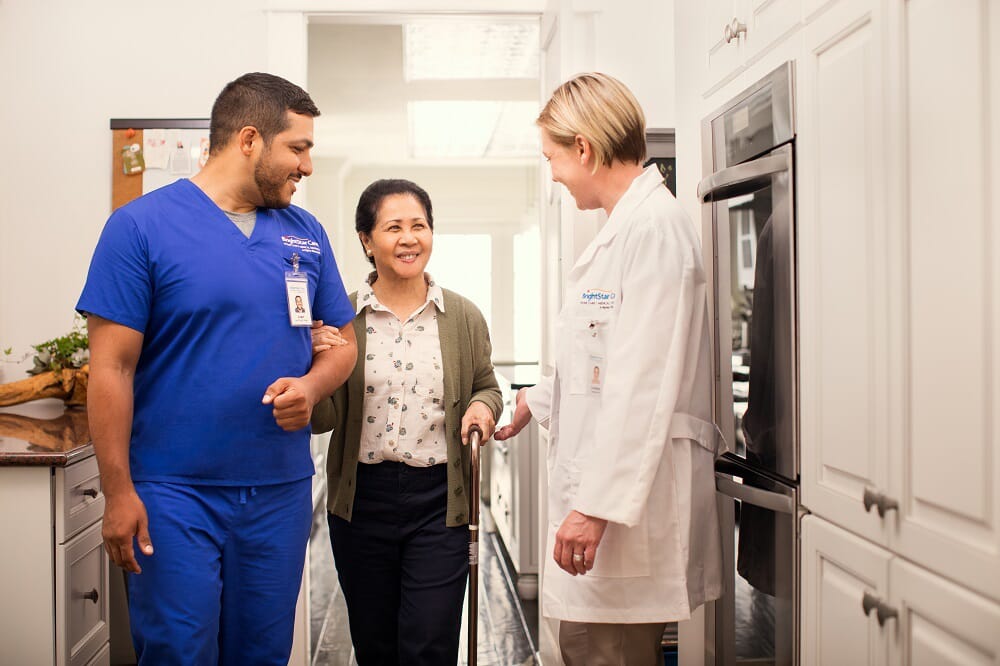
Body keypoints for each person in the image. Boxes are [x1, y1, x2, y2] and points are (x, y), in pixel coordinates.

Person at [77, 72, 358, 665]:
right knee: (180, 651)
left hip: (277, 491)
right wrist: (118, 490)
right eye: (299, 148)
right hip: (172, 493)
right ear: (250, 139)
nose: (307, 166)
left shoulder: (304, 234)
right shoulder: (140, 227)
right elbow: (111, 369)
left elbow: (344, 344)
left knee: (261, 653)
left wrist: (311, 384)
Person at [494, 72, 724, 666]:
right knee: (583, 649)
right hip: (606, 497)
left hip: (625, 512)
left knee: (611, 655)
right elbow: (600, 362)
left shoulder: (654, 231)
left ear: (585, 149)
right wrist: (536, 401)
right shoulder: (625, 231)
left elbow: (642, 386)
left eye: (553, 158)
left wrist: (593, 507)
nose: (553, 174)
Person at [310, 178, 502, 665]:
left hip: (440, 502)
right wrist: (310, 369)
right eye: (393, 227)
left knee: (429, 645)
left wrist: (483, 407)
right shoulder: (341, 316)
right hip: (361, 500)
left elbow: (487, 385)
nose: (408, 238)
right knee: (375, 647)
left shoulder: (462, 316)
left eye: (419, 225)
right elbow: (322, 419)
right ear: (366, 240)